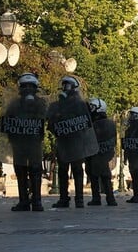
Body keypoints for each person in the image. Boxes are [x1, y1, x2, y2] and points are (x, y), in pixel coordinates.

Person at [47, 76, 99, 208]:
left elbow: (87, 122)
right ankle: (66, 198)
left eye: (68, 86)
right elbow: (51, 123)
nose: (65, 89)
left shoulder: (81, 105)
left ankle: (78, 199)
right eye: (64, 86)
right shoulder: (57, 105)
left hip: (75, 142)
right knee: (65, 170)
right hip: (65, 142)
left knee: (75, 170)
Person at [1, 73, 48, 211]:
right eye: (25, 87)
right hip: (21, 143)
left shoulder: (40, 103)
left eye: (30, 87)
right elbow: (7, 122)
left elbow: (44, 118)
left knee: (33, 170)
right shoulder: (15, 104)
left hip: (31, 143)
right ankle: (27, 201)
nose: (28, 90)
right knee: (22, 170)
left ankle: (34, 201)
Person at [85, 98, 117, 206]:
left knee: (98, 176)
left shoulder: (97, 124)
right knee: (101, 175)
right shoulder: (110, 123)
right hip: (102, 153)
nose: (91, 109)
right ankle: (108, 198)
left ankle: (102, 198)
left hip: (98, 153)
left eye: (93, 107)